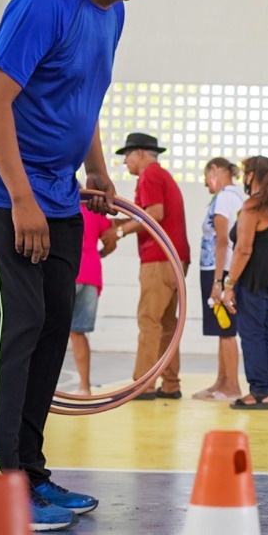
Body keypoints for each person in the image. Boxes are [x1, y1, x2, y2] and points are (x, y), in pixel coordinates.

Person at [0, 0, 153, 530]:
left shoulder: (113, 15)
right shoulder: (44, 3)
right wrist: (21, 198)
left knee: (48, 331)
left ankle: (30, 476)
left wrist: (95, 169)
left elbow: (81, 99)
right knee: (10, 332)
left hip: (62, 193)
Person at [104, 133, 192, 400]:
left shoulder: (150, 175)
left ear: (140, 153)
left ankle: (141, 384)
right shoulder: (161, 176)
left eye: (127, 155)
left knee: (149, 320)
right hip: (175, 258)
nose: (125, 163)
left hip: (159, 258)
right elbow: (147, 215)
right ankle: (170, 384)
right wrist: (119, 225)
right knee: (167, 323)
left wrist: (118, 234)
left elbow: (154, 213)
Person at [223, 157, 268, 409]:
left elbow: (243, 250)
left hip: (255, 280)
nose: (242, 178)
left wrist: (229, 284)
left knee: (252, 334)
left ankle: (259, 391)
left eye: (244, 173)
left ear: (252, 175)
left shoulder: (253, 206)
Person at [192, 158, 244, 401]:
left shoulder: (225, 197)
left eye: (205, 176)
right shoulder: (233, 196)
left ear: (215, 170)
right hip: (218, 269)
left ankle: (231, 385)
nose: (205, 183)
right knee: (221, 328)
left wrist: (218, 281)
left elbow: (222, 240)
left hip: (218, 269)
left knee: (226, 329)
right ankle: (221, 382)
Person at [68, 205, 114, 395]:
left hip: (69, 272)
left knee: (49, 332)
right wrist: (97, 255)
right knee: (78, 332)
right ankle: (84, 388)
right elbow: (112, 239)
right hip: (91, 274)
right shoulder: (93, 210)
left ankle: (43, 389)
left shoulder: (62, 205)